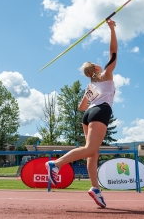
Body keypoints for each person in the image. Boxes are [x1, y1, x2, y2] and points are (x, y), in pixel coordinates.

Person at [45, 19, 117, 208]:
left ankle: (95, 188)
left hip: (89, 115)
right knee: (91, 150)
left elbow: (81, 107)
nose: (99, 64)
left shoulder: (91, 86)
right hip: (100, 112)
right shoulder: (107, 75)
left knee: (93, 154)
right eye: (96, 64)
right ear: (95, 69)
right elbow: (113, 52)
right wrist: (111, 29)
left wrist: (94, 100)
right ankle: (56, 164)